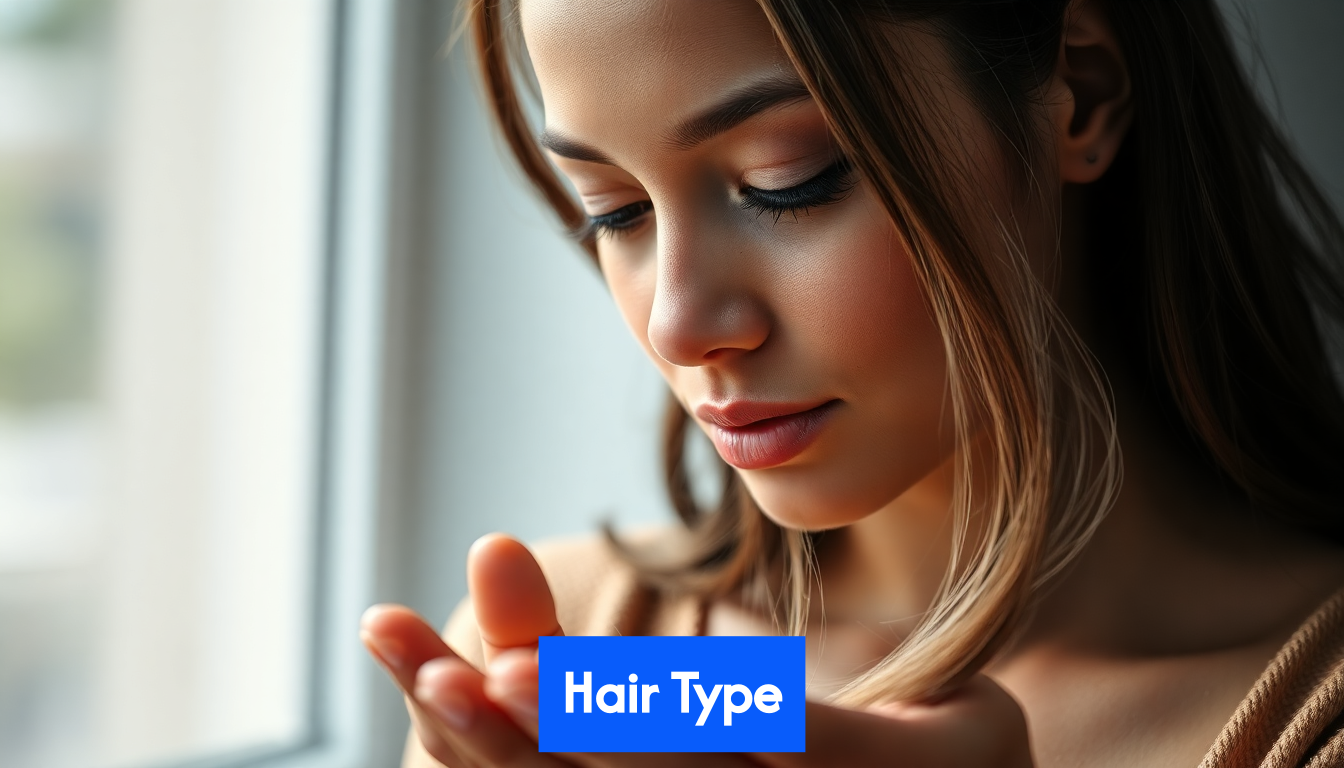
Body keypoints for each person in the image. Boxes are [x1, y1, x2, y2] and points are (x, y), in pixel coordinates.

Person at [360, 0, 1344, 765]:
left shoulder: (1308, 713)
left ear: (1077, 94)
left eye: (786, 180)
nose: (677, 327)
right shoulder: (580, 655)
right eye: (615, 210)